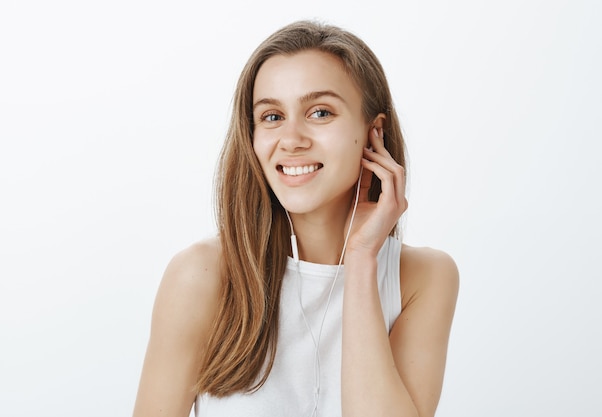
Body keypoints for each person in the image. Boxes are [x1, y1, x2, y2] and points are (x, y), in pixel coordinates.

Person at [133, 19, 459, 417]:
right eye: (271, 117)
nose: (291, 140)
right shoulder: (201, 275)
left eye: (320, 112)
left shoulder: (423, 277)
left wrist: (360, 258)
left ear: (373, 133)